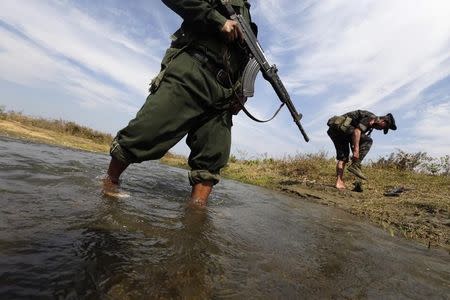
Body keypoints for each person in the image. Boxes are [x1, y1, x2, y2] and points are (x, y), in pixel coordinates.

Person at [103, 0, 255, 207]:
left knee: (213, 155)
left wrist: (241, 92)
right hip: (194, 69)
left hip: (224, 92)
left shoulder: (248, 17)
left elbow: (243, 61)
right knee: (147, 130)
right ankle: (109, 183)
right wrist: (218, 20)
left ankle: (197, 211)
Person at [326, 110, 397, 189]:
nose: (381, 129)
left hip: (336, 131)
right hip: (342, 129)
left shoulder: (371, 123)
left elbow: (355, 137)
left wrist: (356, 153)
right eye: (384, 127)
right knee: (368, 141)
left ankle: (341, 182)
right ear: (383, 121)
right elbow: (357, 131)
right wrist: (356, 151)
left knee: (343, 157)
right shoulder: (371, 118)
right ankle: (354, 167)